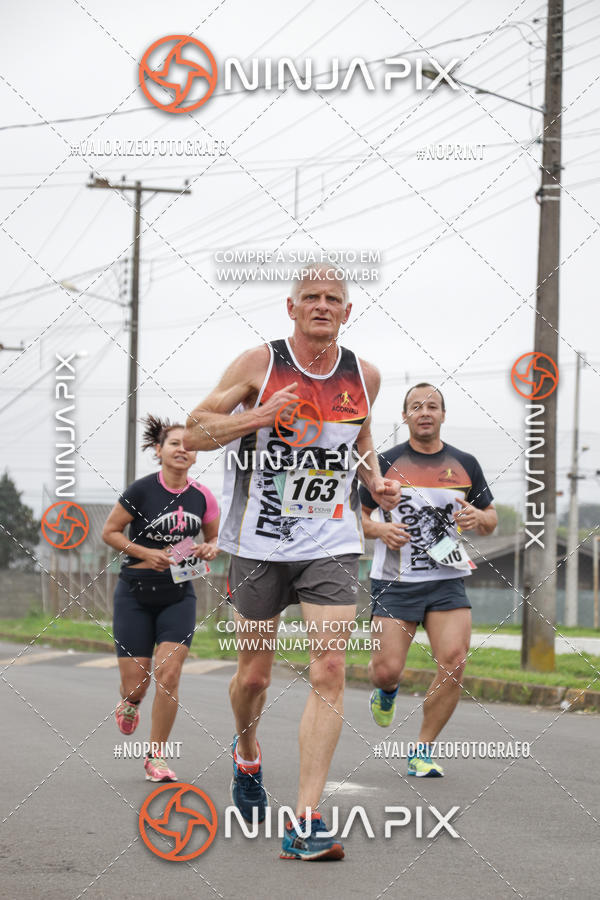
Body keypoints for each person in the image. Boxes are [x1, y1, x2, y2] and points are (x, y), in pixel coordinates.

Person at [184, 266, 400, 860]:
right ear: (292, 307)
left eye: (334, 299)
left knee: (330, 666)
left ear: (347, 312)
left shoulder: (366, 376)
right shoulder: (259, 363)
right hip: (258, 546)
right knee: (253, 677)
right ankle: (247, 750)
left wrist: (374, 480)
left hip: (330, 541)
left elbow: (358, 437)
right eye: (312, 298)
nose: (323, 306)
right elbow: (194, 431)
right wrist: (258, 416)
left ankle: (305, 819)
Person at [360, 383, 497, 777]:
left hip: (447, 578)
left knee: (454, 662)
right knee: (387, 669)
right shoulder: (383, 463)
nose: (424, 412)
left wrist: (478, 518)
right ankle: (386, 691)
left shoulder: (465, 463)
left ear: (442, 415)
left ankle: (422, 750)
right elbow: (356, 518)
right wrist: (379, 531)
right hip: (394, 580)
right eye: (416, 406)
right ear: (404, 416)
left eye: (432, 406)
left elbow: (490, 519)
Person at [102, 415, 220, 782]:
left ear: (196, 455)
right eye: (174, 444)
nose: (183, 449)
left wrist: (209, 549)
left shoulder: (203, 497)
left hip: (178, 595)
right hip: (134, 592)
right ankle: (130, 702)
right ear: (159, 451)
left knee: (168, 674)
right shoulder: (140, 491)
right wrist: (145, 552)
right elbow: (110, 531)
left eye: (189, 445)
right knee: (137, 683)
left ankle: (157, 756)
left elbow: (213, 539)